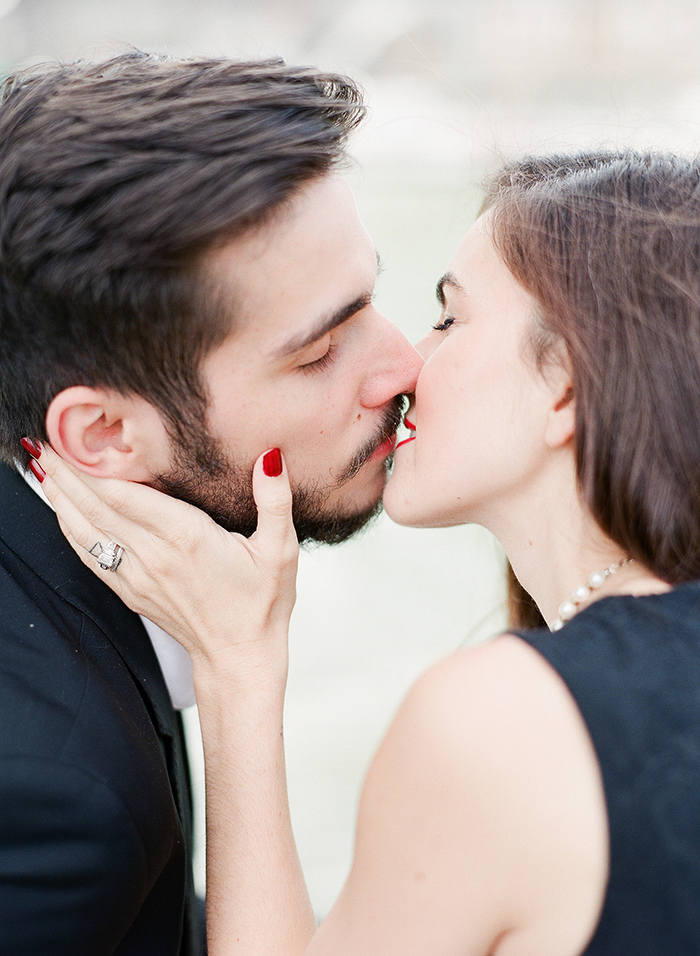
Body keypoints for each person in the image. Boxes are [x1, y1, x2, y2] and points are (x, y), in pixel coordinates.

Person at [33, 147, 700, 955]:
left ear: (566, 382)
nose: (407, 363)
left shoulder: (506, 723)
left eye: (449, 317)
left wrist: (238, 666)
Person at [0, 52, 421, 954]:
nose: (402, 366)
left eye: (371, 300)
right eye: (318, 353)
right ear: (105, 435)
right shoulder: (61, 804)